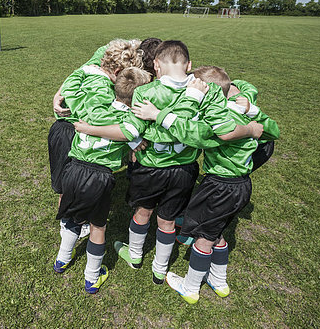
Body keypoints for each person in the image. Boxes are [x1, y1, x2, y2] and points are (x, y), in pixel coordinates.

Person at [73, 41, 263, 286]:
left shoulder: (147, 91)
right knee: (168, 219)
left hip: (151, 167)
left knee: (142, 212)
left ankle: (135, 255)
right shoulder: (209, 91)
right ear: (189, 65)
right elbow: (207, 133)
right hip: (184, 169)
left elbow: (132, 130)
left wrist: (138, 136)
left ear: (155, 64)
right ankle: (160, 270)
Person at [133, 65, 279, 304]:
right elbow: (272, 130)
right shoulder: (241, 111)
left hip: (219, 186)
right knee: (217, 231)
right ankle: (219, 280)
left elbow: (191, 133)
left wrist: (158, 115)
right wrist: (252, 115)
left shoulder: (217, 122)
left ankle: (190, 287)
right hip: (242, 185)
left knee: (203, 238)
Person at [54, 62, 152, 295]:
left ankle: (62, 259)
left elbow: (72, 89)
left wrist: (88, 69)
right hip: (99, 176)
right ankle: (92, 276)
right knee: (98, 227)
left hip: (72, 169)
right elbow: (128, 132)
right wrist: (135, 142)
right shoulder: (134, 120)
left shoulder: (92, 106)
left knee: (71, 217)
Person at [48, 39, 144, 238]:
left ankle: (68, 226)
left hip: (68, 130)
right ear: (117, 72)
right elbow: (100, 118)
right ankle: (71, 225)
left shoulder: (90, 72)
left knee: (68, 184)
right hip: (71, 132)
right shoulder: (101, 88)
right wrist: (132, 137)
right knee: (69, 186)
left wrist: (77, 77)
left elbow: (72, 85)